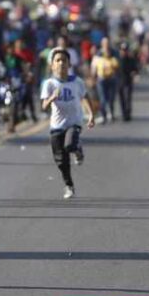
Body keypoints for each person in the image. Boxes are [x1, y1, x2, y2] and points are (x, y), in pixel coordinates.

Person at [41, 48, 95, 199]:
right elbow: (44, 106)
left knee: (69, 145)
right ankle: (69, 185)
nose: (61, 64)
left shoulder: (77, 82)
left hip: (74, 122)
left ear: (69, 64)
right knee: (61, 161)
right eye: (57, 61)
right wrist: (52, 97)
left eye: (63, 61)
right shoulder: (49, 83)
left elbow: (84, 97)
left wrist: (90, 115)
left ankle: (77, 149)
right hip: (57, 125)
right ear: (52, 65)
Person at [91, 37, 119, 123]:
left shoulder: (114, 53)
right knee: (102, 98)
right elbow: (94, 66)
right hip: (101, 79)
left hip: (111, 78)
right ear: (102, 44)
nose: (106, 45)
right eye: (104, 43)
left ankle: (111, 113)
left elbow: (117, 65)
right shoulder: (98, 54)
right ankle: (103, 115)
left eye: (107, 43)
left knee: (111, 98)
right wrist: (93, 77)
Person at [118, 42, 139, 121]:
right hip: (119, 82)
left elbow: (135, 69)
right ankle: (123, 113)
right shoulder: (117, 59)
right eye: (123, 50)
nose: (124, 52)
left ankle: (128, 114)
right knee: (122, 99)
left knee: (128, 98)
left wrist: (134, 73)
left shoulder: (131, 59)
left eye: (125, 50)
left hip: (128, 81)